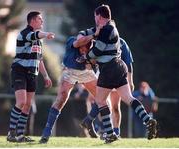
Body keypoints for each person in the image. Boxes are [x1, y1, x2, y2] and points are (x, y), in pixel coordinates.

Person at [82, 4, 157, 143]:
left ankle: (110, 133)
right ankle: (148, 120)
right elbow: (90, 32)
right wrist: (83, 34)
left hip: (109, 68)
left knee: (100, 100)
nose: (95, 19)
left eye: (95, 16)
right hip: (119, 67)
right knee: (128, 98)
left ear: (99, 16)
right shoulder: (109, 28)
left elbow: (97, 51)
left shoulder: (106, 29)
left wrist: (85, 57)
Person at [39, 30, 100, 144]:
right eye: (82, 49)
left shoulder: (93, 46)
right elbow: (78, 43)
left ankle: (89, 122)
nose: (83, 51)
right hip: (70, 71)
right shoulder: (72, 41)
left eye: (85, 49)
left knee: (102, 99)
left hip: (86, 73)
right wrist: (94, 34)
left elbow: (93, 63)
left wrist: (92, 61)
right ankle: (46, 132)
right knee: (61, 99)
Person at [6, 11, 55, 142]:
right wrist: (47, 34)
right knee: (21, 102)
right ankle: (11, 133)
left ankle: (21, 135)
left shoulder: (39, 41)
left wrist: (46, 76)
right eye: (40, 19)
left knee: (27, 105)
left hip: (32, 74)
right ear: (32, 21)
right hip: (19, 71)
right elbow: (37, 34)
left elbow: (40, 59)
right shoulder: (25, 34)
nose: (42, 21)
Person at [81, 37, 134, 138]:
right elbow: (93, 58)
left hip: (118, 74)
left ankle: (116, 132)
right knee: (101, 102)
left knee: (115, 106)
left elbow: (128, 62)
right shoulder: (100, 41)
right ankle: (104, 130)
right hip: (104, 73)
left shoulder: (122, 42)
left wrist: (130, 81)